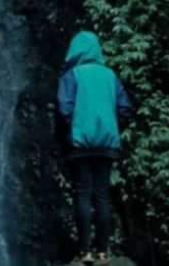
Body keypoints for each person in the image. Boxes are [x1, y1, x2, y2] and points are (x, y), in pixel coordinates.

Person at [56, 30, 135, 265]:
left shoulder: (73, 75)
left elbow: (63, 108)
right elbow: (125, 108)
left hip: (80, 142)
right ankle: (103, 252)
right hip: (107, 143)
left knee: (82, 194)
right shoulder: (111, 76)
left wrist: (74, 126)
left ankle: (85, 252)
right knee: (102, 195)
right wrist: (109, 123)